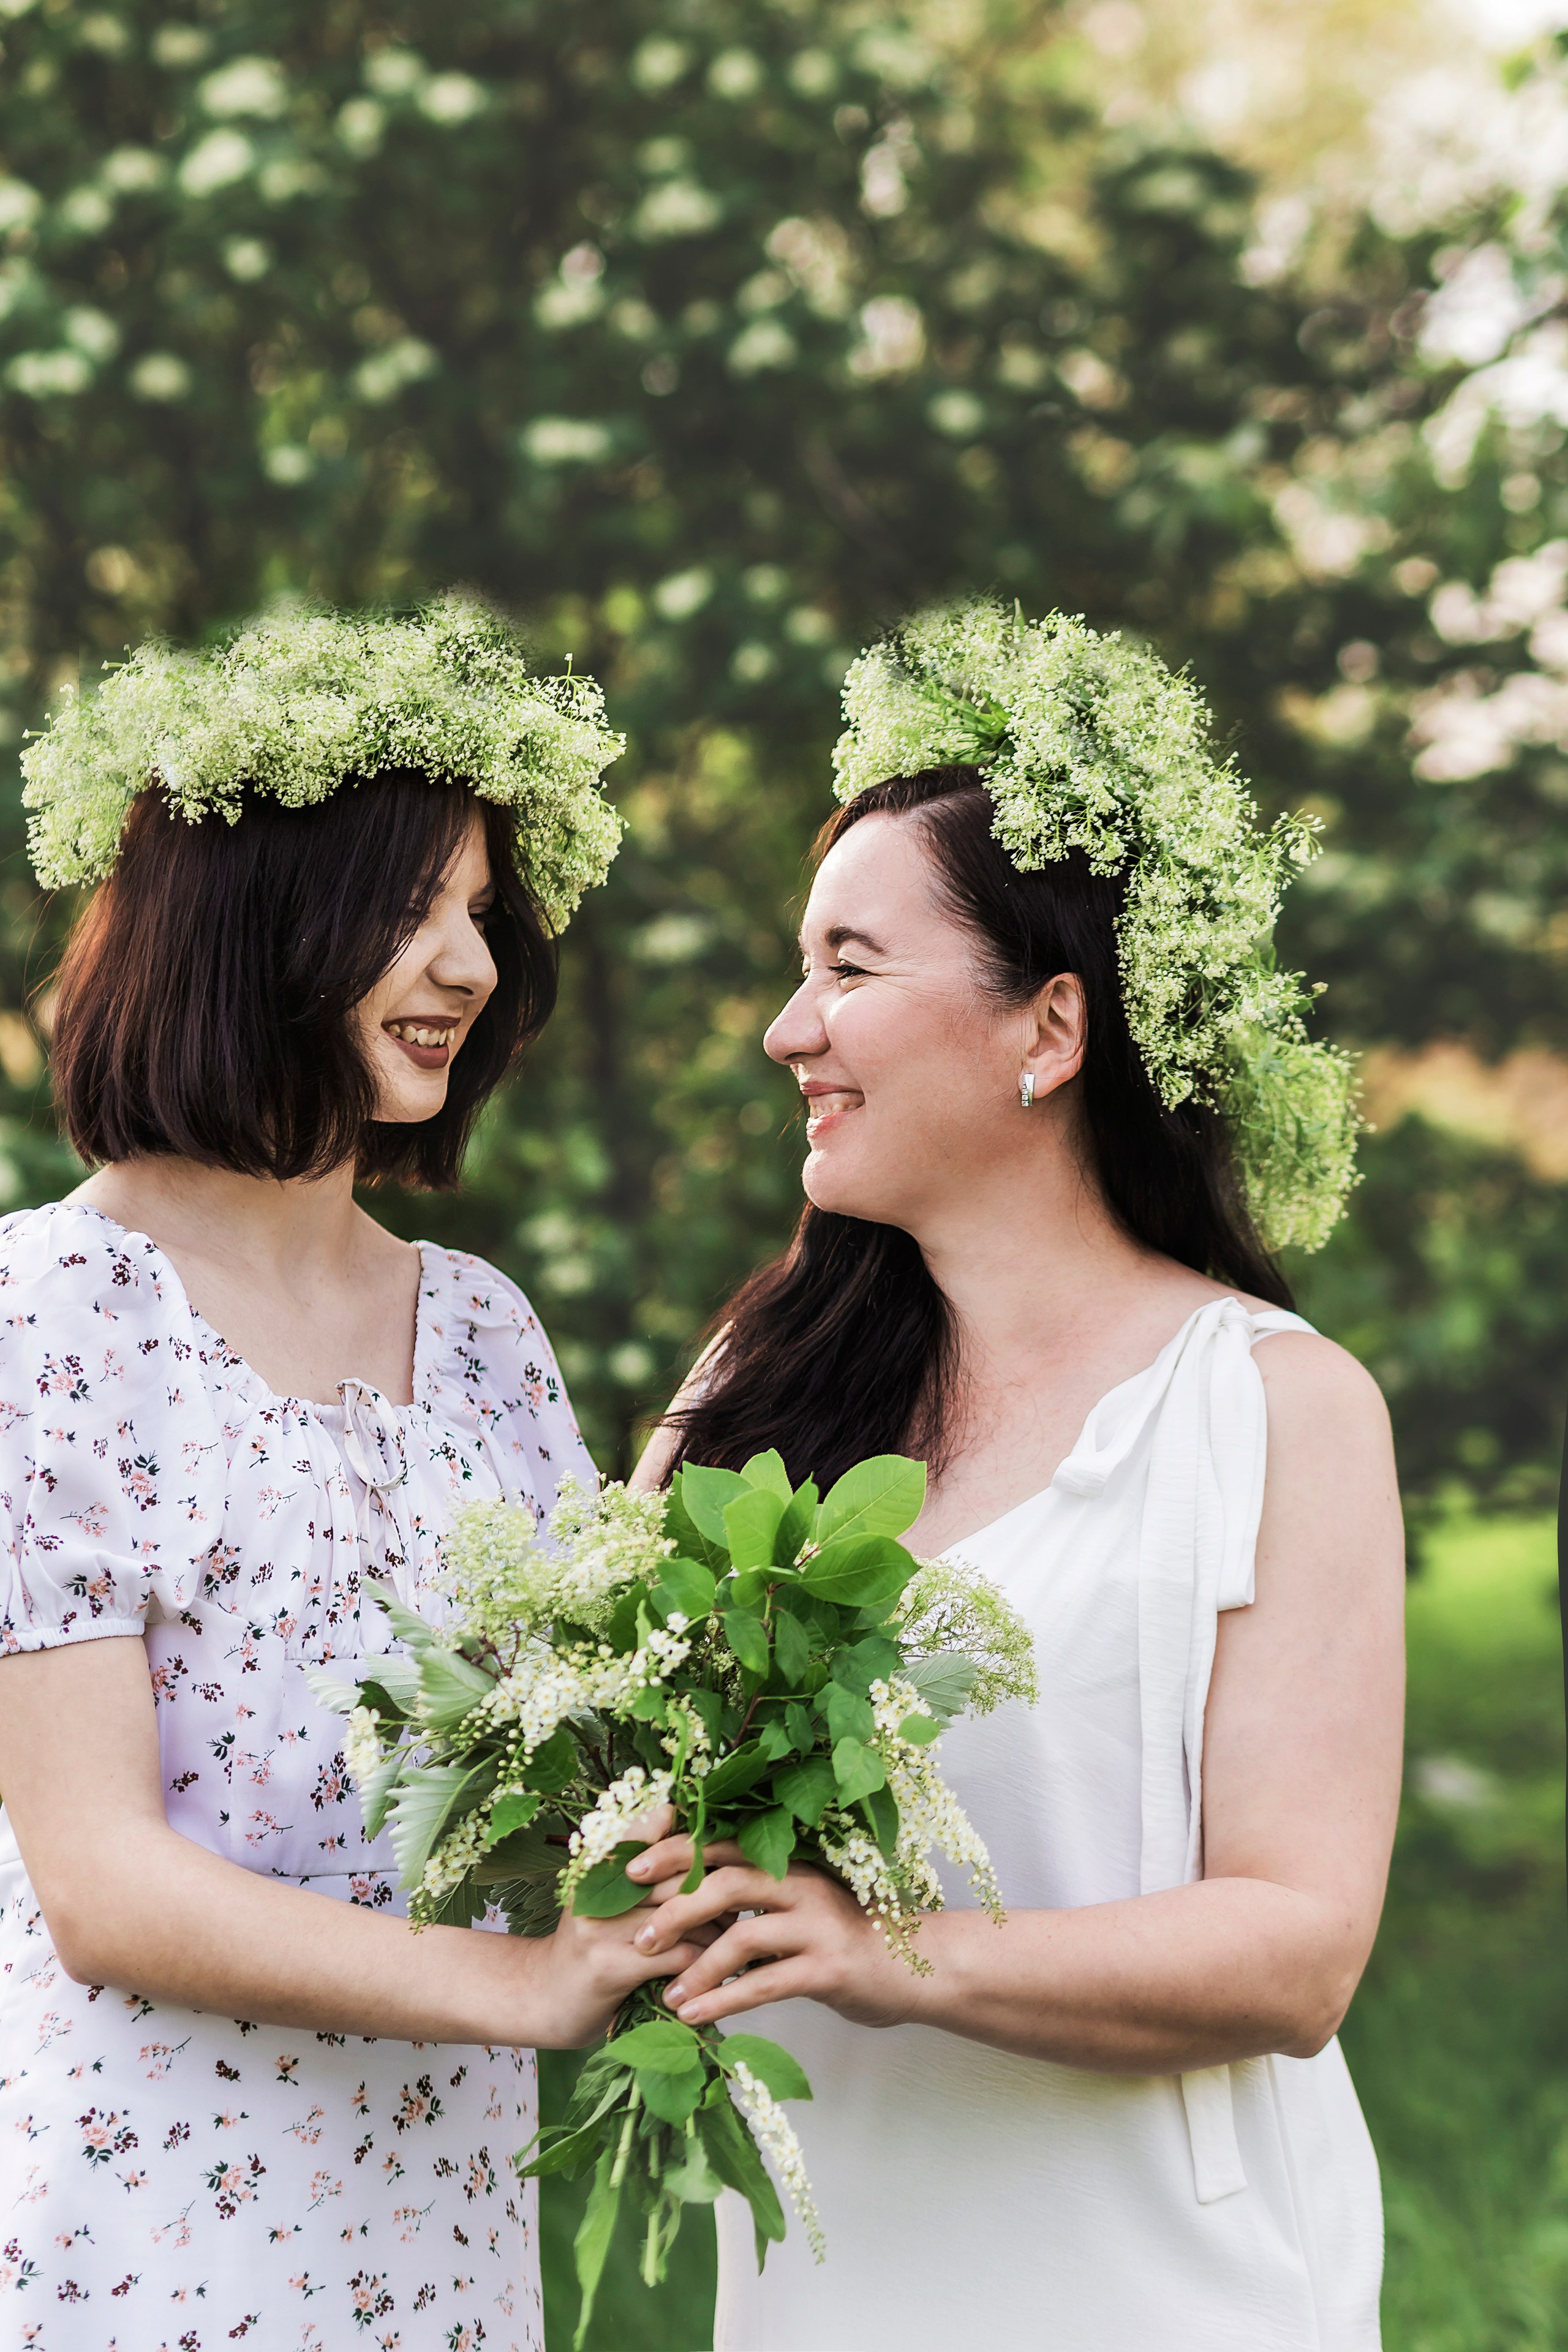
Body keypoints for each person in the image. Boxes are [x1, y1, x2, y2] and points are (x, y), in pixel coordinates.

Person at [630, 602, 1405, 2351]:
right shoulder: (747, 1396)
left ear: (1049, 1028)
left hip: (1170, 2296)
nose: (784, 1030)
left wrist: (883, 1952)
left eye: (850, 967)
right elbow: (626, 1808)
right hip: (829, 2291)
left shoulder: (1276, 1409)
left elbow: (1297, 1951)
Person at [0, 599, 708, 2350]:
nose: (470, 964)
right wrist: (516, 1988)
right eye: (410, 908)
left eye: (481, 913)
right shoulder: (46, 1311)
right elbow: (104, 1886)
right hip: (149, 2229)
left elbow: (582, 1751)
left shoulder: (479, 1327)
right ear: (251, 924)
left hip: (442, 2224)